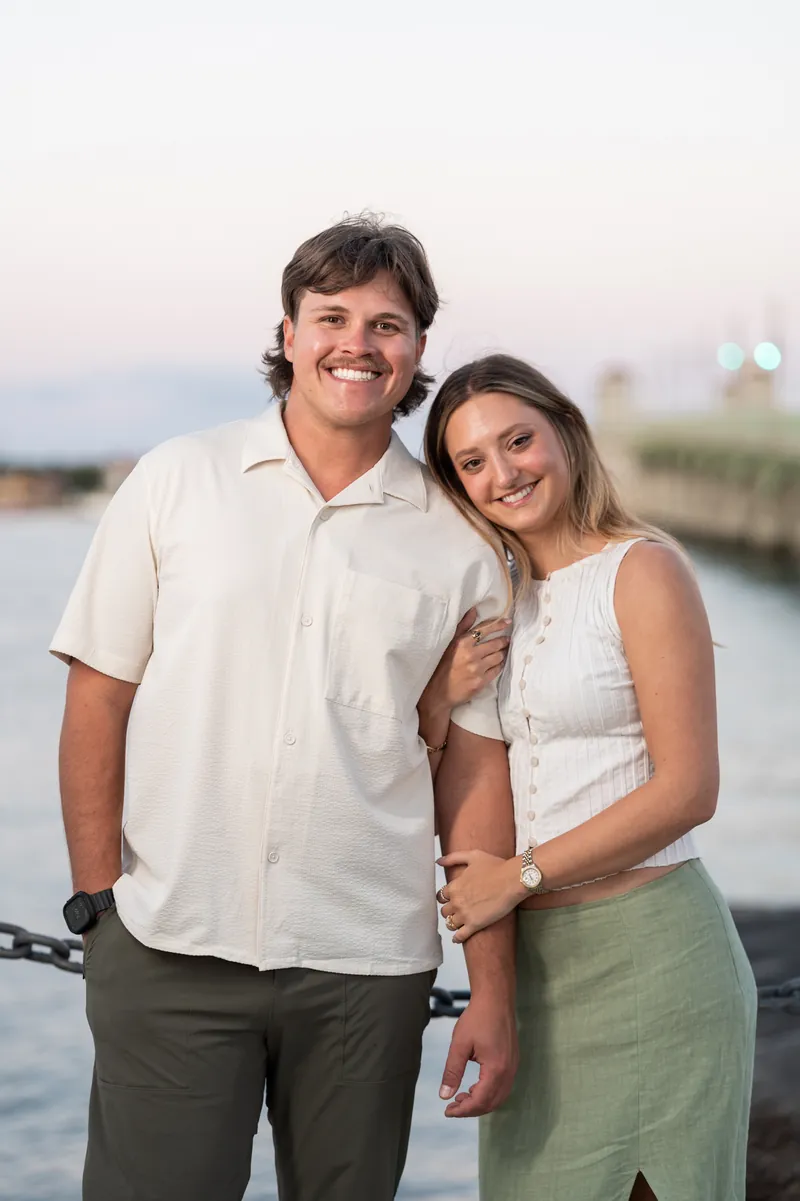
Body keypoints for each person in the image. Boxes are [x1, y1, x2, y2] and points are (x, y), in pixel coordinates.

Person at [50, 217, 519, 1201]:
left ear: (418, 348)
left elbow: (471, 769)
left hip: (365, 964)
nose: (358, 343)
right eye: (332, 317)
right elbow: (99, 695)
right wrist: (100, 907)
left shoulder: (461, 541)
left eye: (386, 323)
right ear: (288, 332)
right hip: (170, 949)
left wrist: (490, 987)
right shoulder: (178, 478)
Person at [418, 354, 757, 1201]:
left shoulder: (642, 571)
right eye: (472, 461)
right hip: (536, 973)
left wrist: (519, 877)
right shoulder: (492, 607)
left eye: (518, 440)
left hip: (655, 956)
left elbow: (688, 790)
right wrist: (441, 692)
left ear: (565, 430)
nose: (503, 473)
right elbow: (468, 797)